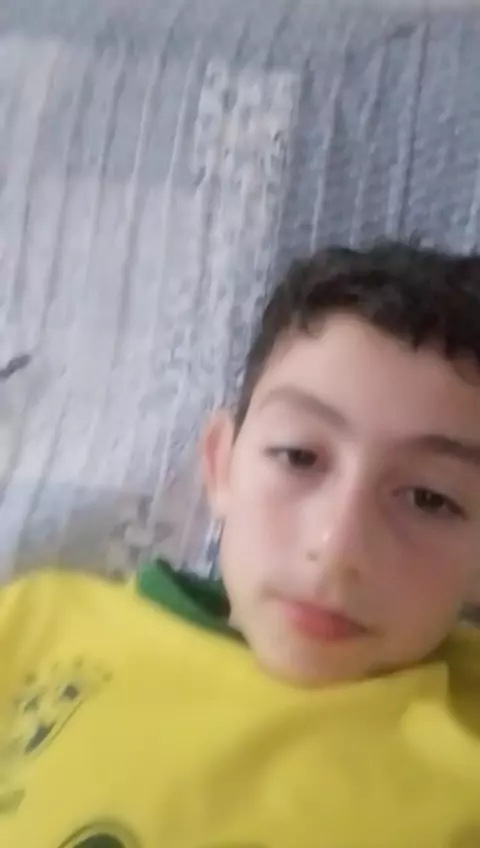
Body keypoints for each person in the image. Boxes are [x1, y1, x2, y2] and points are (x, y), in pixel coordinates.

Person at [1, 242, 480, 848]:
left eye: (430, 499)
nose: (337, 548)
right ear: (221, 465)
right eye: (299, 457)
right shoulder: (37, 622)